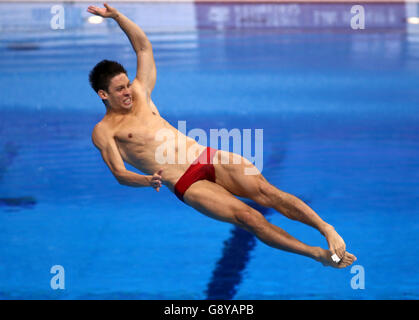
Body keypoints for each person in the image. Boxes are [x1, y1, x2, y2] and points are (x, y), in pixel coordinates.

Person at [87, 3, 356, 268]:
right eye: (120, 89)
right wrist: (147, 181)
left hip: (205, 156)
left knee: (266, 192)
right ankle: (318, 255)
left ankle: (326, 228)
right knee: (248, 217)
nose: (128, 92)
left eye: (127, 85)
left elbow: (143, 47)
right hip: (187, 183)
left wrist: (118, 17)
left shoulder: (141, 93)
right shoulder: (104, 131)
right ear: (103, 95)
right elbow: (120, 174)